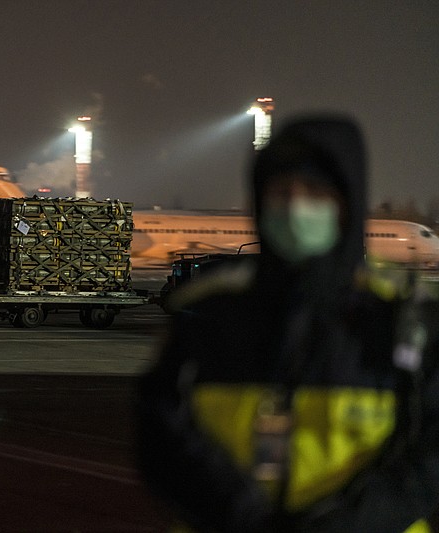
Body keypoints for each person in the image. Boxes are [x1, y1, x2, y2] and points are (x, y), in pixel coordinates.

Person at [136, 115, 439, 532]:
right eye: (281, 192)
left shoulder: (405, 324)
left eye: (315, 192)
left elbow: (428, 456)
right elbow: (160, 435)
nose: (296, 206)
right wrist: (242, 517)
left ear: (346, 203)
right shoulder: (208, 317)